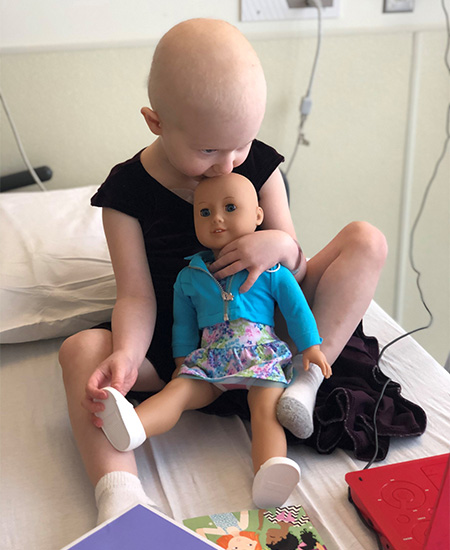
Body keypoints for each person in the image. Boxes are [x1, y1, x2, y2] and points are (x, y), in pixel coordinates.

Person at [58, 18, 387, 524]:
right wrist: (126, 354)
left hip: (268, 332)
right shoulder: (126, 194)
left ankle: (304, 382)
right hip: (183, 353)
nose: (226, 164)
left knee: (367, 240)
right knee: (80, 351)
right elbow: (137, 297)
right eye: (208, 150)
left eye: (242, 144)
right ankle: (119, 496)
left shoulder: (256, 164)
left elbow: (295, 270)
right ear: (156, 121)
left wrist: (277, 244)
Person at [94, 173, 330, 508]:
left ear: (258, 216)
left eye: (230, 207)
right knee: (179, 391)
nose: (217, 218)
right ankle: (135, 425)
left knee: (267, 409)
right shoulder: (189, 275)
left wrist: (311, 346)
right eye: (204, 212)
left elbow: (297, 309)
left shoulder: (272, 270)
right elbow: (183, 323)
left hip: (260, 355)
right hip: (212, 358)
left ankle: (269, 471)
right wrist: (180, 361)